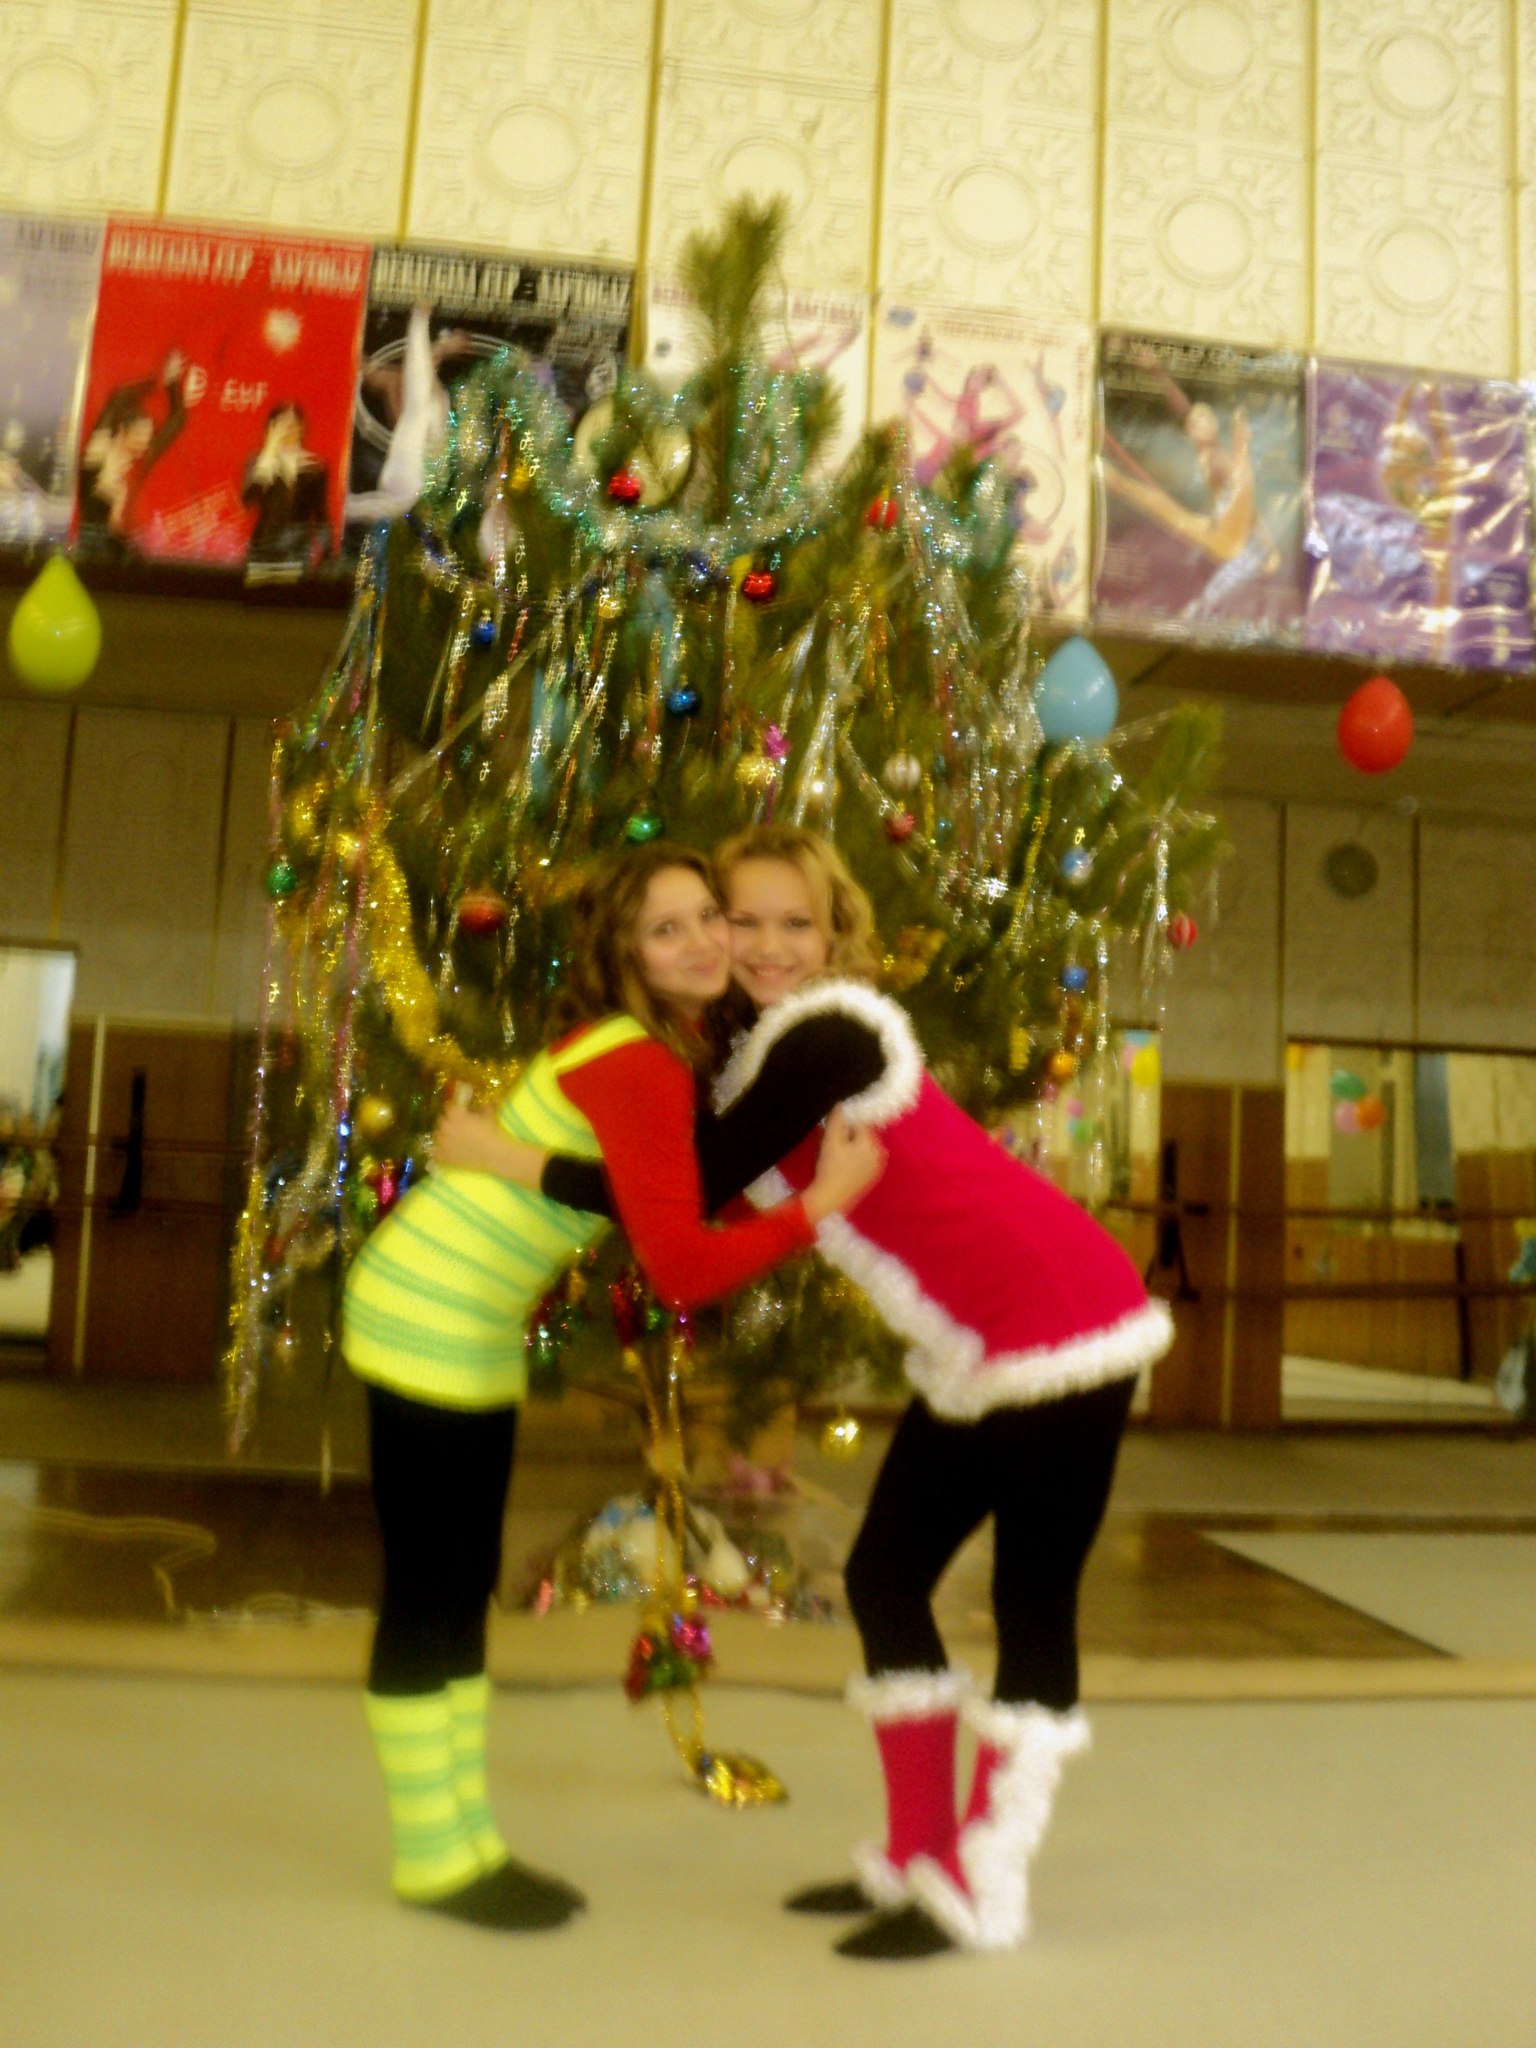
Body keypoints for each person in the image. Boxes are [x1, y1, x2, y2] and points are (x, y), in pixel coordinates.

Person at [436, 825, 1173, 1961]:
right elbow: (676, 1199)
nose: (769, 945)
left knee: (1033, 1602)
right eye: (744, 919)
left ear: (835, 937)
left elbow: (698, 1181)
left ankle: (985, 1882)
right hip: (977, 1338)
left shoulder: (833, 1035)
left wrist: (508, 1158)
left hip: (1067, 1317)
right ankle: (915, 1853)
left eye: (798, 923)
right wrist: (530, 1155)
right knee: (884, 1577)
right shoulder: (748, 1064)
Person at [341, 840, 884, 1934]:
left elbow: (649, 1196)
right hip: (426, 1311)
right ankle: (436, 1858)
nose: (705, 942)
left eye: (709, 917)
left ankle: (463, 1836)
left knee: (458, 1583)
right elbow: (679, 1262)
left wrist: (509, 1158)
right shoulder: (637, 1060)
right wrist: (819, 1206)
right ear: (628, 952)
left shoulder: (655, 1049)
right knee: (433, 1590)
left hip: (467, 1320)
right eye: (667, 929)